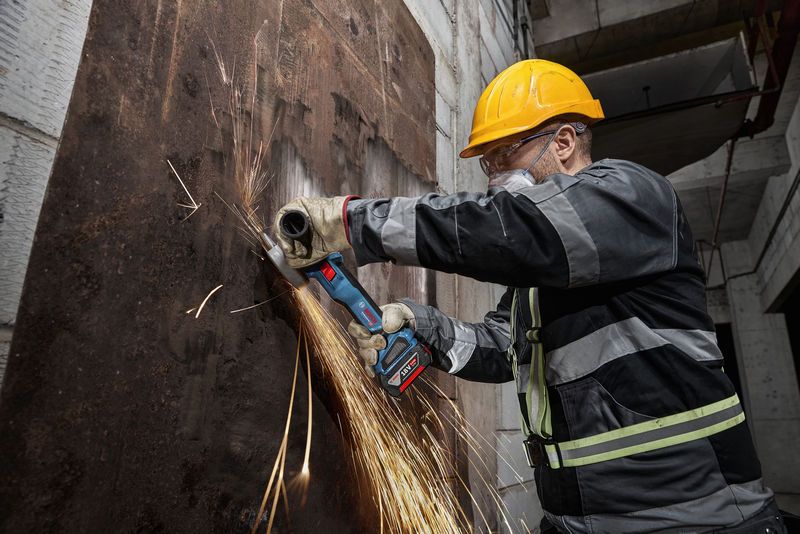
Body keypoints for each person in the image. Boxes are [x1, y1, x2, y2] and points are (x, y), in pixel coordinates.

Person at [274, 59, 786, 533]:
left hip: (699, 519)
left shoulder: (631, 195)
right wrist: (420, 328)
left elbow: (508, 231)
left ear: (563, 142)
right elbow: (503, 349)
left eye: (507, 153)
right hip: (578, 520)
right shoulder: (542, 279)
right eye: (488, 163)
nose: (496, 173)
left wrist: (351, 222)